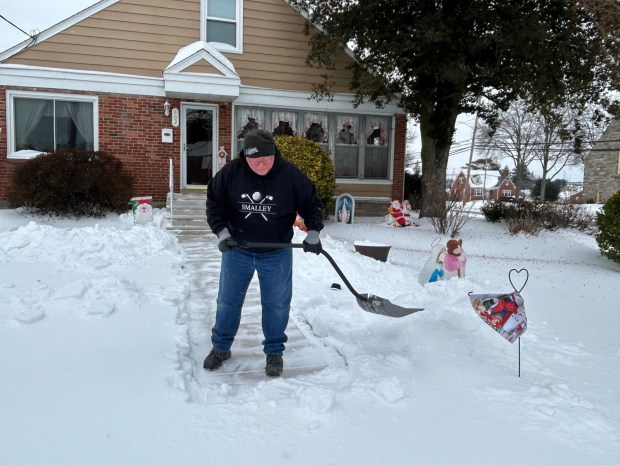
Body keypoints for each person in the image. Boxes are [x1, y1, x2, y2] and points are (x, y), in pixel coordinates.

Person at [204, 129, 324, 377]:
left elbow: (311, 203)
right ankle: (221, 348)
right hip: (238, 250)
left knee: (277, 304)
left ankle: (274, 353)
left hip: (277, 251)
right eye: (254, 159)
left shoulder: (289, 175)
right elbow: (214, 202)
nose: (261, 164)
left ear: (274, 154)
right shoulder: (231, 172)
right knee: (228, 301)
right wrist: (222, 233)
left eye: (266, 159)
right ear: (245, 156)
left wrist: (313, 232)